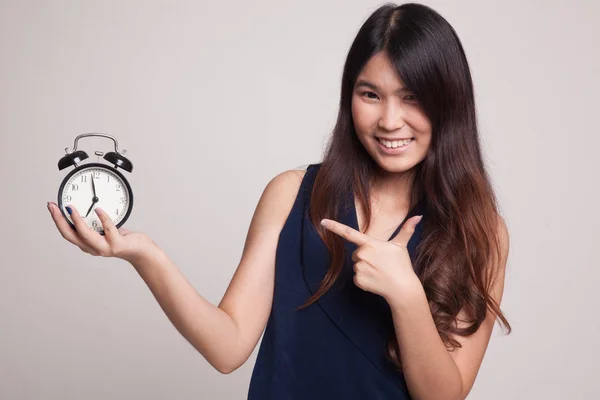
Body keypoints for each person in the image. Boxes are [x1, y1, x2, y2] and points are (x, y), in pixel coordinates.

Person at [47, 2, 511, 399]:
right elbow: (227, 347)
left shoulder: (478, 229)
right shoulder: (292, 193)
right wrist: (144, 255)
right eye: (370, 94)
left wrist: (406, 295)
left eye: (412, 98)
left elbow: (444, 394)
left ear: (448, 103)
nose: (390, 120)